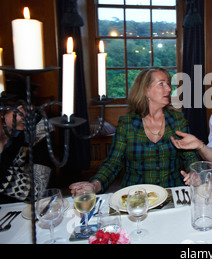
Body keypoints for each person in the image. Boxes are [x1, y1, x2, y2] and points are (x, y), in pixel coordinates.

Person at [69, 68, 199, 195]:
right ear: (145, 91)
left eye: (168, 84)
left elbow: (190, 157)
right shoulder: (127, 124)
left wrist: (194, 172)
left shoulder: (177, 119)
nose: (169, 89)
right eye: (161, 84)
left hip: (171, 193)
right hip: (136, 196)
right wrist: (95, 185)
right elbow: (113, 163)